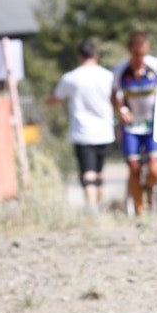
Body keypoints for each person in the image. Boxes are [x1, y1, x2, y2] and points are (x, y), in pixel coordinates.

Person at [47, 39, 116, 213]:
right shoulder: (108, 76)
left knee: (88, 171)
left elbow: (56, 98)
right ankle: (99, 205)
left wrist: (48, 101)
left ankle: (92, 207)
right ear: (97, 56)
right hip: (105, 131)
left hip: (82, 132)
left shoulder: (71, 77)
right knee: (99, 171)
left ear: (79, 56)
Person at [112, 30, 157, 217]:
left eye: (143, 54)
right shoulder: (121, 70)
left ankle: (150, 187)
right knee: (134, 167)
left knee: (155, 169)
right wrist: (121, 111)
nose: (140, 59)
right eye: (136, 55)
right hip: (132, 126)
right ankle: (140, 210)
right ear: (130, 51)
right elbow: (114, 96)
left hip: (154, 125)